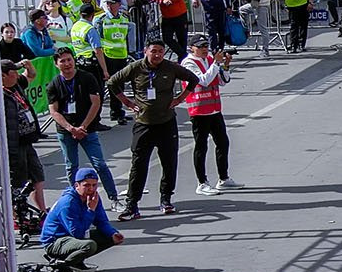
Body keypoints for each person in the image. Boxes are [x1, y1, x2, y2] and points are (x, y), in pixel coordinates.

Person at [105, 41, 199, 219]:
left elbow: (193, 79)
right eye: (153, 51)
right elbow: (112, 82)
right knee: (138, 165)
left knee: (169, 163)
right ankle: (132, 204)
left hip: (167, 123)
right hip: (143, 124)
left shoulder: (170, 67)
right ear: (145, 51)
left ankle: (166, 199)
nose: (157, 55)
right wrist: (127, 103)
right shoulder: (134, 68)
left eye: (161, 52)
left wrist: (180, 99)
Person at [46, 49, 117, 201]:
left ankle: (114, 198)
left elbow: (95, 103)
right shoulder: (53, 85)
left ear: (74, 60)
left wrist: (83, 127)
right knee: (71, 167)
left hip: (87, 130)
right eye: (62, 61)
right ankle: (76, 200)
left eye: (69, 60)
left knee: (100, 165)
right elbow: (54, 111)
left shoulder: (87, 78)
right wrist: (71, 128)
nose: (67, 64)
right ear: (56, 64)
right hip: (66, 132)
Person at [39, 167, 124, 272]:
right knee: (89, 245)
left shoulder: (93, 197)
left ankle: (77, 261)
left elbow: (101, 221)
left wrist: (113, 233)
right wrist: (90, 210)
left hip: (71, 237)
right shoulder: (68, 203)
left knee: (108, 236)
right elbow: (77, 233)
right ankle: (64, 265)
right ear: (77, 186)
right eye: (87, 185)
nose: (91, 189)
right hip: (55, 241)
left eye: (94, 185)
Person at [182, 36, 234, 195]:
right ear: (192, 48)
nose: (205, 49)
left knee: (223, 143)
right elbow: (203, 80)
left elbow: (223, 81)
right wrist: (216, 64)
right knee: (201, 146)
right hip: (199, 110)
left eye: (206, 46)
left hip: (214, 108)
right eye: (200, 46)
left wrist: (225, 66)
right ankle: (202, 182)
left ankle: (223, 178)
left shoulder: (210, 60)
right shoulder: (188, 63)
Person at [1, 60, 48, 221]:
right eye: (13, 73)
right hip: (15, 144)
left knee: (38, 175)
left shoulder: (15, 85)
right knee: (18, 182)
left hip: (27, 140)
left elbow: (31, 75)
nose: (17, 76)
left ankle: (42, 211)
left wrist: (27, 66)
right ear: (3, 76)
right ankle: (17, 217)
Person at [92, 0, 133, 123]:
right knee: (111, 84)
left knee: (119, 84)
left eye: (112, 3)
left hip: (121, 54)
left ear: (119, 5)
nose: (109, 6)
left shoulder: (124, 19)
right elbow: (98, 39)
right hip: (108, 55)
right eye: (108, 3)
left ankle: (117, 111)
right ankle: (115, 112)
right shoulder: (101, 19)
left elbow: (126, 37)